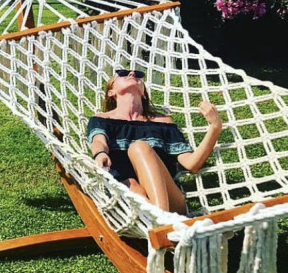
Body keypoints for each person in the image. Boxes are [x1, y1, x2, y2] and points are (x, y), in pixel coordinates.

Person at [86, 69, 222, 214]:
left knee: (139, 147)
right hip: (126, 202)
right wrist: (100, 153)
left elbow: (192, 164)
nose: (132, 74)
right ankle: (159, 218)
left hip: (171, 203)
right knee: (132, 186)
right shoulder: (101, 120)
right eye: (123, 73)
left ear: (144, 93)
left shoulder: (163, 122)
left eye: (138, 75)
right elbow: (99, 141)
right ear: (111, 92)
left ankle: (159, 219)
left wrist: (215, 127)